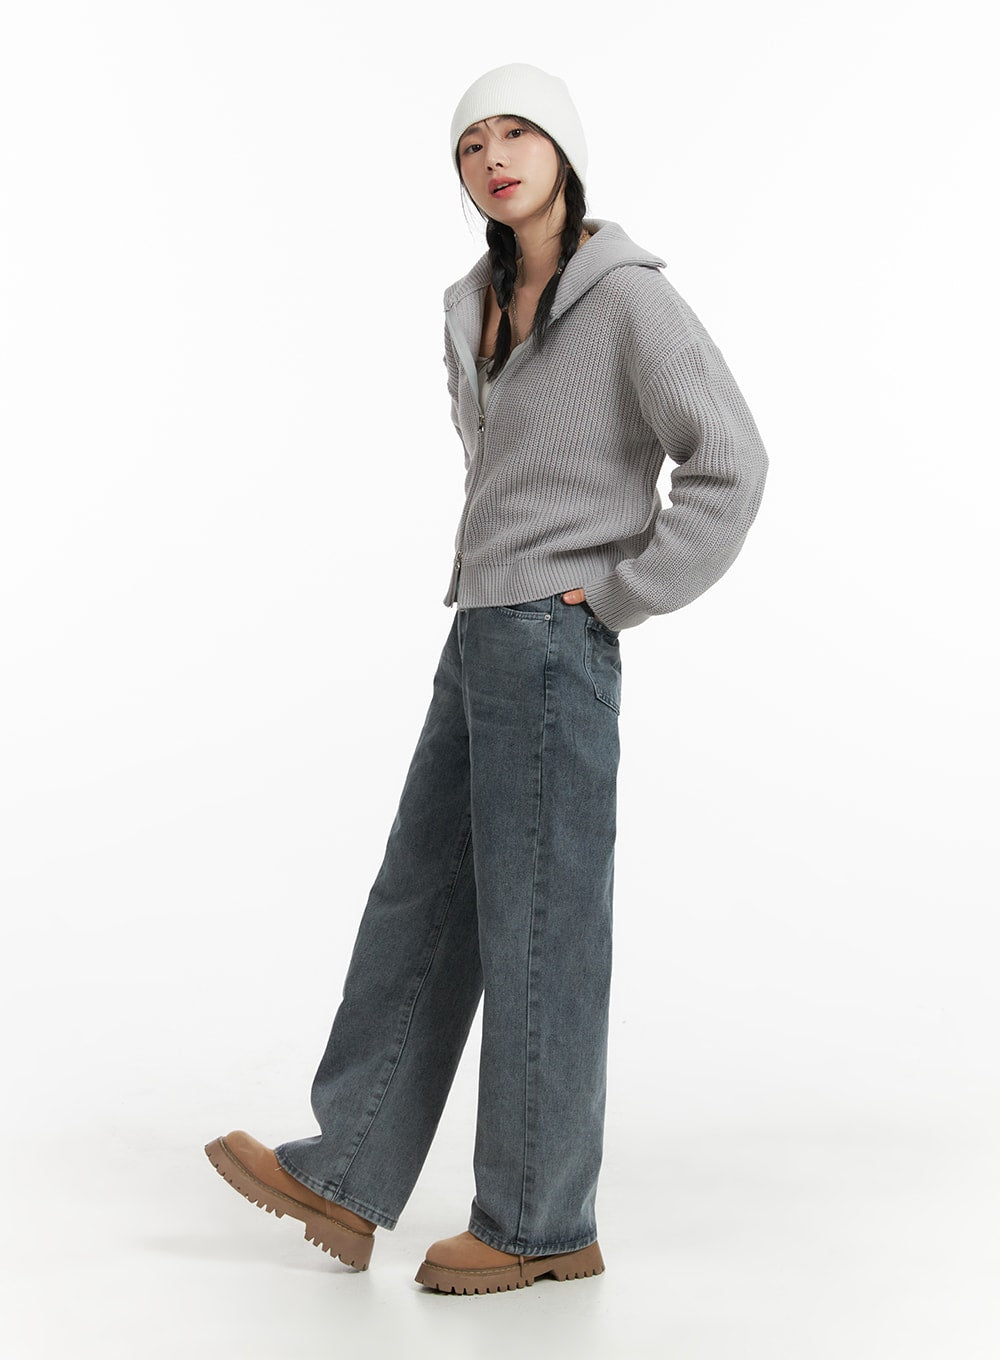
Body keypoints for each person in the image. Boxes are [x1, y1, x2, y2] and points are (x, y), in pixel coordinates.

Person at [205, 61, 768, 1296]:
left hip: (556, 641)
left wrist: (616, 594)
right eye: (472, 143)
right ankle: (348, 1168)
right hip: (480, 630)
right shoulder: (475, 302)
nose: (495, 157)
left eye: (518, 134)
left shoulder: (628, 298)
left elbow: (730, 460)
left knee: (540, 928)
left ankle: (537, 1220)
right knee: (420, 900)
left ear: (564, 153)